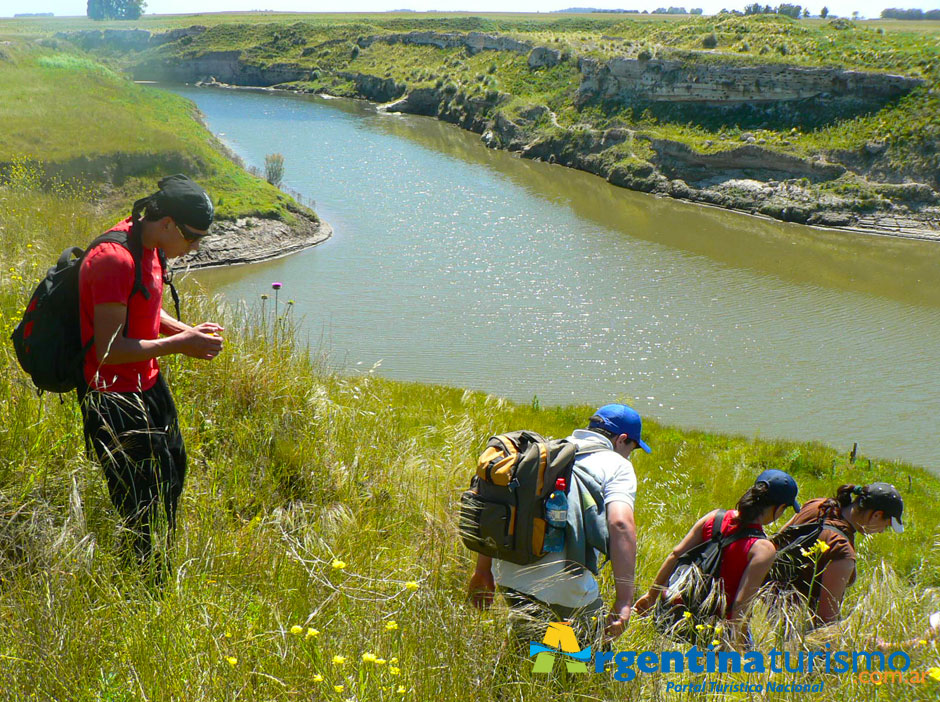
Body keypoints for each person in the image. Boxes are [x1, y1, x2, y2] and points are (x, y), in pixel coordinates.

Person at [77, 174, 224, 577]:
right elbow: (109, 352)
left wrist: (186, 332)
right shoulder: (114, 259)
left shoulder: (152, 249)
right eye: (192, 237)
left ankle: (158, 563)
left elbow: (144, 310)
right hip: (114, 397)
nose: (195, 247)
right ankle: (141, 584)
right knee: (138, 499)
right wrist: (182, 346)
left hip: (148, 384)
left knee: (173, 472)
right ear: (168, 224)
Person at [467, 403, 649, 646]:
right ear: (622, 439)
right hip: (566, 589)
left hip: (511, 574)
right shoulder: (618, 466)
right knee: (580, 660)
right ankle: (565, 676)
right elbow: (621, 524)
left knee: (531, 651)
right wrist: (625, 601)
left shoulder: (542, 452)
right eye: (632, 448)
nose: (629, 455)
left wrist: (482, 570)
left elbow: (499, 507)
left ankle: (529, 674)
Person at [634, 470, 801, 639]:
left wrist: (651, 596)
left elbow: (676, 554)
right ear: (779, 508)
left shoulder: (715, 517)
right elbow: (740, 604)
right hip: (713, 631)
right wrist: (735, 648)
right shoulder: (763, 548)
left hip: (673, 615)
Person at [768, 482, 904, 626]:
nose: (882, 531)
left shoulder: (817, 505)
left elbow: (774, 544)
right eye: (887, 525)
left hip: (761, 600)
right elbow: (826, 620)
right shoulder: (842, 551)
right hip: (788, 624)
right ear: (877, 515)